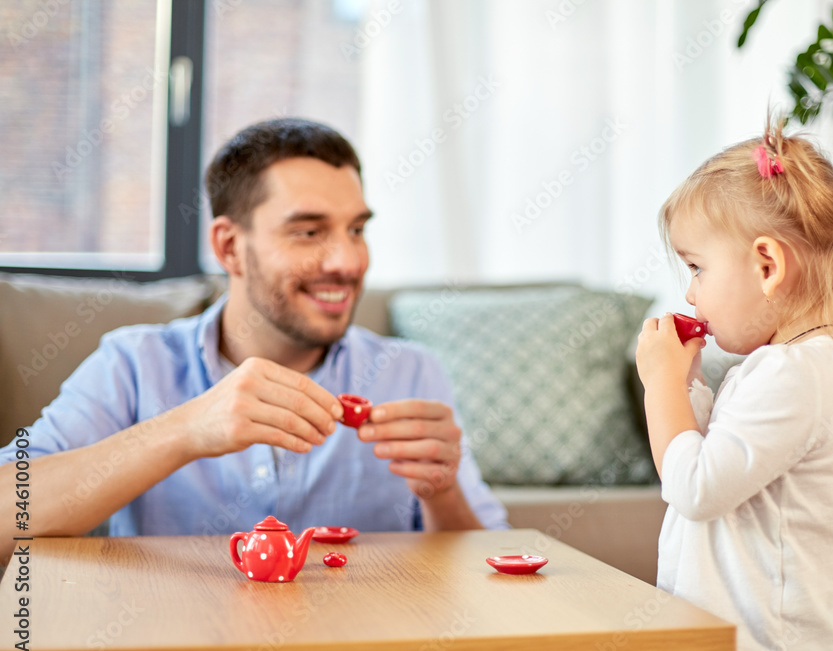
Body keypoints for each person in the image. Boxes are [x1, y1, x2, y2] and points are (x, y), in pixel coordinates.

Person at [0, 118, 508, 564]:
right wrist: (185, 430)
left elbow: (485, 569)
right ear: (229, 247)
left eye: (355, 229)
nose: (348, 262)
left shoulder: (412, 372)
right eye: (309, 232)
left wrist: (442, 494)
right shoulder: (132, 364)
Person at [635, 116, 833, 651]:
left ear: (767, 265)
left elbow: (695, 487)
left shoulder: (795, 372)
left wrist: (661, 385)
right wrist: (690, 384)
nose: (692, 295)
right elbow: (722, 455)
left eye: (696, 268)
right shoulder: (807, 362)